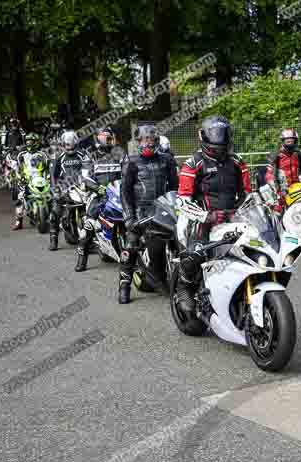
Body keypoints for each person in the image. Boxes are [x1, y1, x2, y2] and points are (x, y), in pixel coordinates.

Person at [173, 116, 251, 314]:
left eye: (222, 135)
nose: (219, 141)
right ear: (204, 137)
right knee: (196, 252)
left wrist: (248, 209)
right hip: (201, 219)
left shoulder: (237, 162)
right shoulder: (194, 163)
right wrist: (206, 217)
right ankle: (184, 285)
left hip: (232, 217)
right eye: (214, 135)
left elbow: (247, 194)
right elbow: (182, 200)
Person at [117, 125, 179, 304]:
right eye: (146, 140)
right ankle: (124, 285)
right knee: (130, 245)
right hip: (139, 211)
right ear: (139, 141)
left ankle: (169, 278)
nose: (149, 144)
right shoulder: (131, 161)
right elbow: (125, 191)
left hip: (163, 209)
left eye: (152, 140)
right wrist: (129, 216)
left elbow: (175, 187)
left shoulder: (166, 160)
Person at [75, 127, 125, 272]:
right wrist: (97, 188)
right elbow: (84, 177)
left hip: (117, 193)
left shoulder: (118, 154)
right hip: (97, 195)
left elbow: (128, 171)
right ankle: (82, 257)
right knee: (89, 225)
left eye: (109, 137)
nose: (108, 140)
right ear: (97, 138)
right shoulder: (90, 156)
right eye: (105, 137)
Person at [49, 130, 92, 251]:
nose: (70, 146)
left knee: (92, 210)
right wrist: (55, 189)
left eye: (72, 144)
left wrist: (90, 182)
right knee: (55, 210)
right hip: (64, 187)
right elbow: (53, 175)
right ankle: (54, 239)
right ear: (63, 144)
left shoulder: (83, 154)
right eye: (67, 144)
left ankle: (91, 240)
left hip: (81, 186)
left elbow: (89, 167)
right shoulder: (58, 156)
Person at [264, 128, 301, 212]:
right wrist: (276, 188)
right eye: (287, 140)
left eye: (292, 140)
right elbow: (269, 174)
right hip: (282, 190)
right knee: (278, 211)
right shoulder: (276, 155)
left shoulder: (299, 155)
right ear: (283, 141)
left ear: (295, 141)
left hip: (298, 188)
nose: (290, 142)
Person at [11, 132, 49, 230]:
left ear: (36, 142)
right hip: (25, 180)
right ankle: (18, 222)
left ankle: (55, 219)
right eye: (27, 141)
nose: (29, 143)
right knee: (20, 199)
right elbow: (17, 169)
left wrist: (48, 177)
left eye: (31, 141)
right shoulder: (21, 155)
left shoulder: (42, 154)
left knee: (52, 197)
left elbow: (48, 168)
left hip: (40, 180)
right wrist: (20, 177)